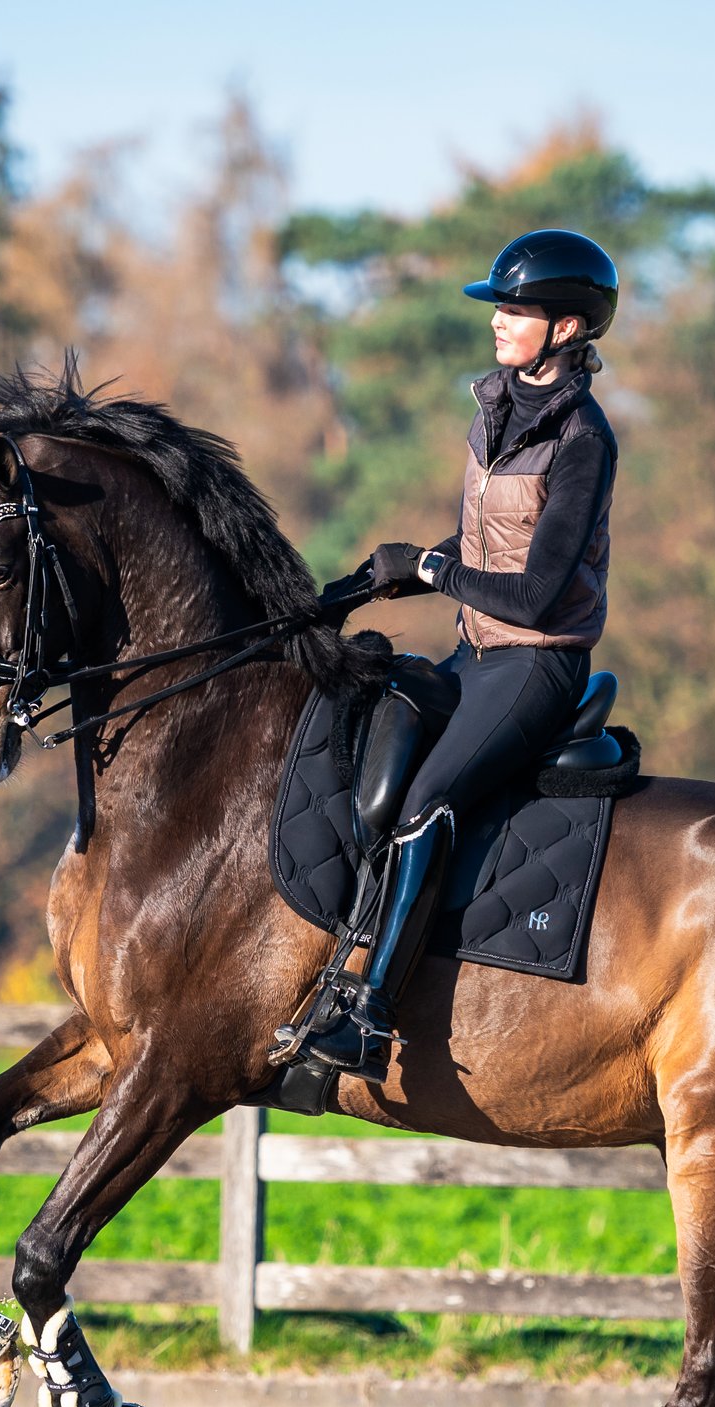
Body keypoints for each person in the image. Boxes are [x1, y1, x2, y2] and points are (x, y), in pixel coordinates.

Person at [300, 228, 621, 1084]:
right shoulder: (496, 407)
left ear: (566, 328)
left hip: (536, 664)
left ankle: (371, 1017)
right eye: (500, 306)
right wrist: (377, 579)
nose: (499, 320)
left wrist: (435, 569)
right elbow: (488, 542)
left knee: (429, 800)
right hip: (476, 652)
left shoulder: (584, 438)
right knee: (374, 746)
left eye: (515, 308)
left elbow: (536, 593)